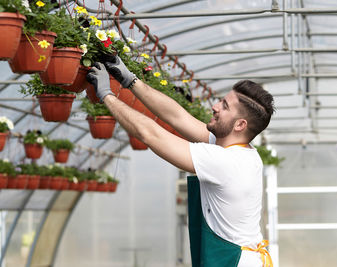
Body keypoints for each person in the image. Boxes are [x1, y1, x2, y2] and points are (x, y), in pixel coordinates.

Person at [87, 58, 275, 267]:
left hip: (234, 261)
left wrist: (107, 95)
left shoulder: (225, 161)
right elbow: (178, 117)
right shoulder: (241, 151)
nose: (214, 106)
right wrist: (131, 80)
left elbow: (150, 134)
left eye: (224, 106)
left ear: (240, 124)